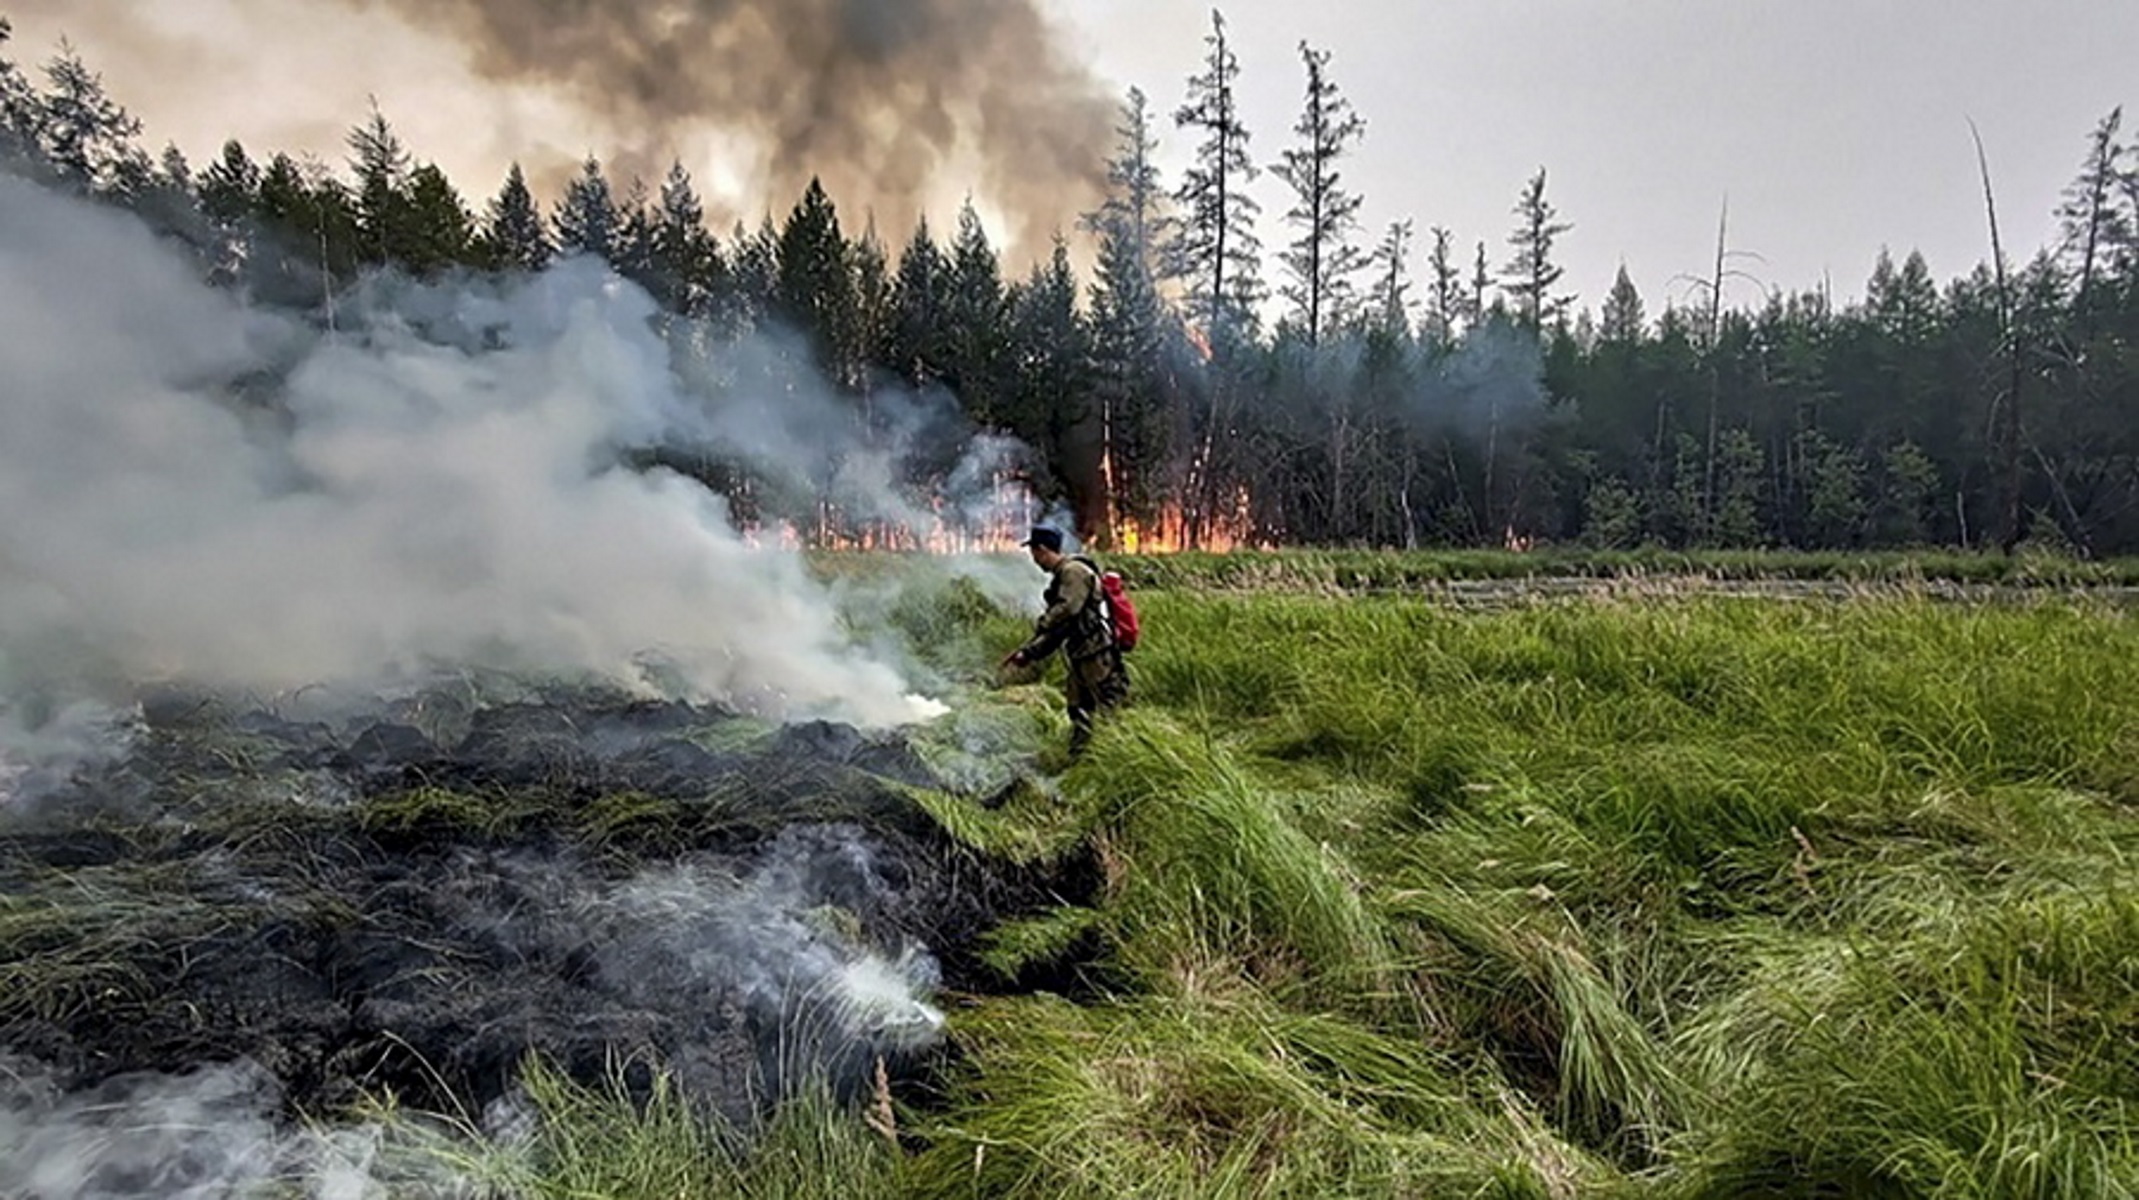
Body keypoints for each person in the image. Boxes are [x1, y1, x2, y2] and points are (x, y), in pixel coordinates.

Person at [1002, 525, 1128, 756]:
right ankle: (1078, 758)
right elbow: (1060, 632)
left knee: (1107, 708)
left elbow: (1068, 610)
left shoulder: (1073, 572)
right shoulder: (1065, 575)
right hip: (1082, 655)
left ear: (1041, 550)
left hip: (1096, 654)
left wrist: (1044, 622)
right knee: (1078, 708)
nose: (1034, 560)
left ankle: (1116, 757)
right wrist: (1029, 653)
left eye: (1034, 553)